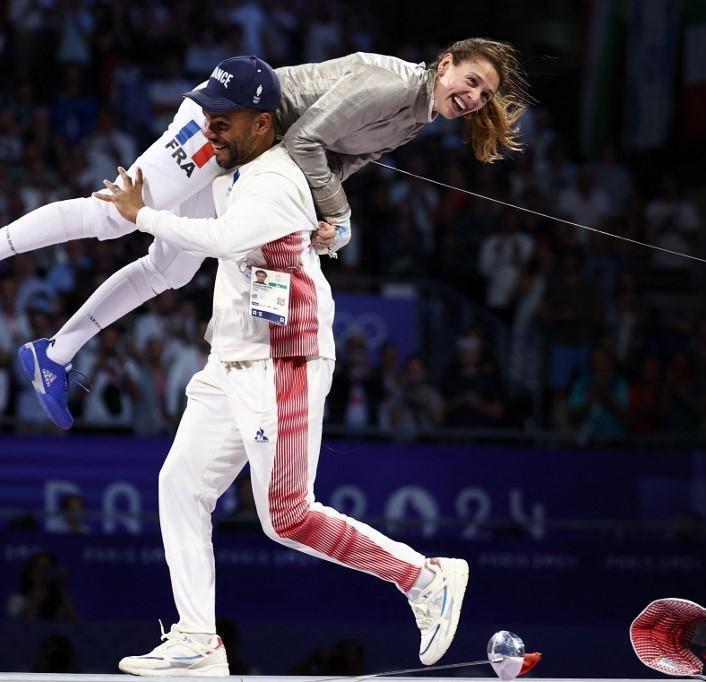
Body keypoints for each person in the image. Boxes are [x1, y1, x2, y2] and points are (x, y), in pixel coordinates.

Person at [0, 39, 530, 428]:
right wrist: (338, 212)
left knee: (172, 267)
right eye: (469, 79)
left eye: (484, 93)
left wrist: (321, 214)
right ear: (444, 62)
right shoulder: (395, 82)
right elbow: (309, 139)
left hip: (251, 154)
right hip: (227, 122)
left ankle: (53, 355)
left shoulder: (414, 113)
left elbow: (340, 161)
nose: (473, 97)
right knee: (112, 215)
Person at [93, 58, 468, 677]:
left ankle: (425, 577)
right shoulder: (234, 168)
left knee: (288, 515)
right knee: (180, 486)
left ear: (263, 123)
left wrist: (142, 215)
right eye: (208, 115)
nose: (211, 128)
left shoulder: (277, 181)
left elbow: (222, 240)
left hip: (283, 360)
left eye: (224, 119)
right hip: (232, 357)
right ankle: (196, 641)